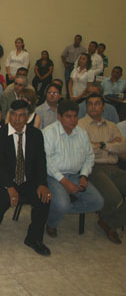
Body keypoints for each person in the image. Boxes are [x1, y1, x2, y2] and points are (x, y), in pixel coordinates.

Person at [0, 100, 51, 256]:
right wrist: (9, 187)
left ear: (27, 117)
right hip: (5, 180)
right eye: (13, 115)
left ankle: (34, 238)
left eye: (21, 116)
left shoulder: (36, 135)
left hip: (27, 180)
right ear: (9, 115)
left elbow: (41, 162)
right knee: (1, 198)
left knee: (44, 199)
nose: (16, 119)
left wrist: (42, 184)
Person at [42, 100, 104, 238]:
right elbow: (48, 162)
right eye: (68, 116)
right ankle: (52, 223)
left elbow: (89, 157)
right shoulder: (49, 133)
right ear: (59, 117)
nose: (73, 120)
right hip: (53, 176)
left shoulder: (82, 133)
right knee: (63, 203)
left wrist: (84, 175)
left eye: (75, 116)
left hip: (76, 175)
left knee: (98, 202)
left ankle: (55, 209)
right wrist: (65, 182)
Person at [78, 93, 126, 244]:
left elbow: (123, 147)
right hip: (93, 168)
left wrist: (102, 145)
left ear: (103, 107)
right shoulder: (80, 125)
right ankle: (109, 223)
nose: (93, 107)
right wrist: (111, 145)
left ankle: (107, 220)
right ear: (86, 106)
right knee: (115, 198)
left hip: (114, 167)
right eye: (90, 104)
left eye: (97, 103)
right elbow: (86, 150)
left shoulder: (112, 126)